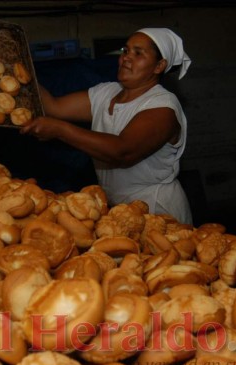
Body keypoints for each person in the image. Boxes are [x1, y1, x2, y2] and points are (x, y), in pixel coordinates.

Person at [20, 28, 193, 225]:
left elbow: (122, 151)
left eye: (138, 53)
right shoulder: (106, 92)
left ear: (159, 66)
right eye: (125, 51)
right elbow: (54, 107)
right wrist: (22, 69)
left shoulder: (163, 107)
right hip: (118, 209)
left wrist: (60, 130)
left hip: (157, 210)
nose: (126, 58)